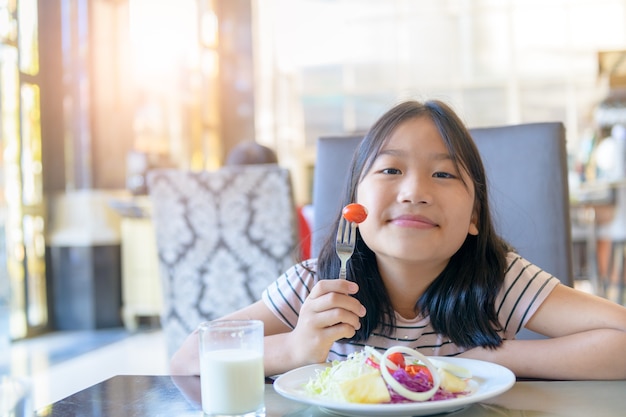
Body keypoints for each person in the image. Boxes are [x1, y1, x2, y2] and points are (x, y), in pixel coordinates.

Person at [171, 99, 626, 380]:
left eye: (443, 174)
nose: (414, 192)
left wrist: (500, 358)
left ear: (474, 217)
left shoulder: (497, 280)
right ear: (355, 204)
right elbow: (190, 357)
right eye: (390, 170)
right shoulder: (317, 287)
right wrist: (294, 348)